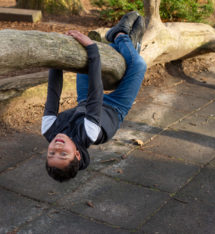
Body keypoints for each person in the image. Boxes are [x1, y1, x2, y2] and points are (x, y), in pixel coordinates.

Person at [41, 11, 147, 182]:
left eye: (51, 152)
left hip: (85, 102)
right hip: (115, 107)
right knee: (139, 65)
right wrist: (92, 48)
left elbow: (53, 93)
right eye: (63, 153)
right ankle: (120, 35)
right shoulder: (89, 134)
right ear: (76, 154)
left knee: (84, 64)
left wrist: (56, 58)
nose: (57, 146)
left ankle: (130, 45)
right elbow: (96, 93)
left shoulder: (48, 130)